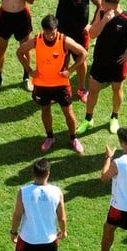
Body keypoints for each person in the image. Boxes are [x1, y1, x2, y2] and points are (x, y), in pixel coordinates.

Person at [77, 0, 127, 135]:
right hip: (100, 60)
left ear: (112, 5)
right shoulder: (102, 13)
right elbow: (92, 34)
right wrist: (103, 21)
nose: (101, 5)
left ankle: (114, 117)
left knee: (117, 89)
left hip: (118, 62)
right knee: (93, 90)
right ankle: (88, 119)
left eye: (103, 3)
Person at [16, 15, 88, 153]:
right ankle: (49, 137)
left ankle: (73, 138)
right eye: (47, 33)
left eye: (52, 33)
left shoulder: (64, 40)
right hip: (42, 85)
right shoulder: (37, 40)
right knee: (45, 110)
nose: (50, 36)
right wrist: (29, 70)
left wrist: (70, 70)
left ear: (57, 29)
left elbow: (83, 53)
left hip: (61, 84)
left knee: (68, 112)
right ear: (43, 30)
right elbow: (20, 52)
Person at [45, 0, 101, 101]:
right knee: (61, 60)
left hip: (80, 33)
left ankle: (82, 88)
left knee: (81, 60)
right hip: (63, 32)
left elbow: (100, 5)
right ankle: (59, 87)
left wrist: (92, 24)